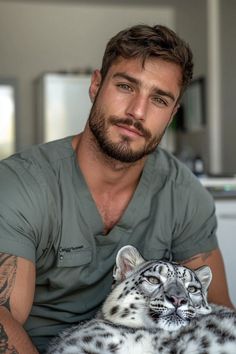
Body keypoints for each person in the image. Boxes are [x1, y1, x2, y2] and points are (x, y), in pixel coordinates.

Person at [0, 24, 234, 354]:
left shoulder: (184, 193)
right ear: (96, 85)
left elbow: (215, 315)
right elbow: (3, 319)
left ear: (172, 113)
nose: (137, 112)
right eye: (126, 86)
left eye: (159, 99)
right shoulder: (20, 185)